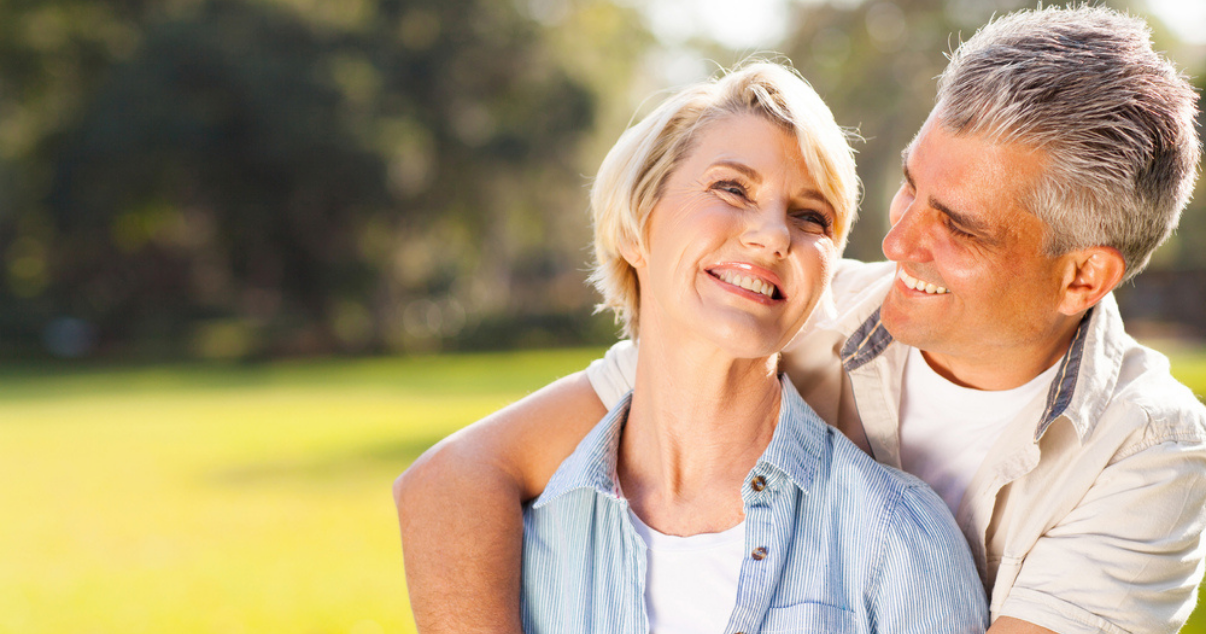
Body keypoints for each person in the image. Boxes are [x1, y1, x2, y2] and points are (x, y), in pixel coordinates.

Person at [395, 6, 1206, 634]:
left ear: (1082, 276)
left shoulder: (1147, 453)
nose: (896, 243)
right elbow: (462, 474)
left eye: (957, 226)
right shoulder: (801, 308)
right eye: (908, 187)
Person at [515, 61, 986, 633]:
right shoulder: (522, 538)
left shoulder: (901, 539)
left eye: (810, 216)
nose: (773, 235)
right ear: (638, 226)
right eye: (732, 188)